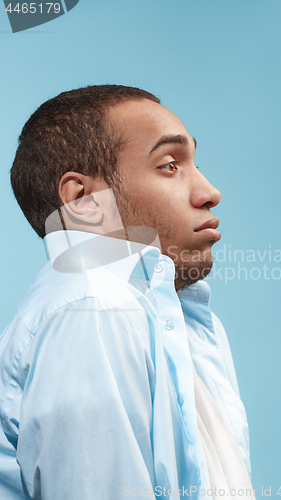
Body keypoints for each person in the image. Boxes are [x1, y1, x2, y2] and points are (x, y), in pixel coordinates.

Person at [0, 85, 255, 499]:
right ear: (83, 201)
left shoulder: (177, 319)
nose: (209, 192)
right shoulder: (95, 311)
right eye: (170, 165)